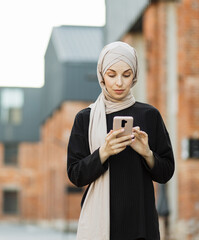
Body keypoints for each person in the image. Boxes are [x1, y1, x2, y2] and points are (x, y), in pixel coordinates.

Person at [67, 41, 175, 240]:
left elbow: (166, 172)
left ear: (134, 76)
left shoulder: (150, 115)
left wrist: (147, 153)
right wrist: (103, 152)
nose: (119, 82)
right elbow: (75, 175)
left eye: (126, 75)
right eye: (111, 75)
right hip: (101, 227)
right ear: (101, 76)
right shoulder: (86, 118)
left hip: (141, 226)